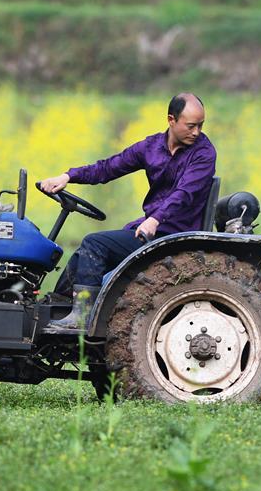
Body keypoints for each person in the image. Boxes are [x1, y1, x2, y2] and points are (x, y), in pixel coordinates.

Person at [36, 93, 216, 330]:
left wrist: (155, 218)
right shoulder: (151, 147)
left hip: (175, 234)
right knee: (83, 254)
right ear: (171, 120)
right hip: (152, 229)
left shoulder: (204, 153)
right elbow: (108, 167)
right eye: (191, 126)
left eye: (200, 126)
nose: (196, 132)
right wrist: (68, 176)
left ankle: (81, 319)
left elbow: (184, 194)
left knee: (95, 243)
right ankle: (56, 308)